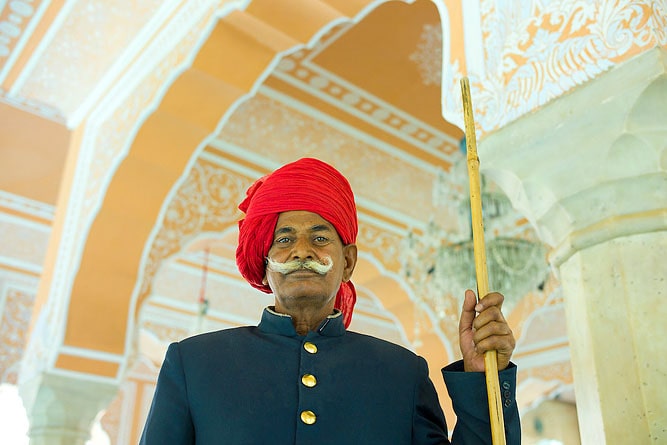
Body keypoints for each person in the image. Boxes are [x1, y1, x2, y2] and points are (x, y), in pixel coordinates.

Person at [140, 157, 520, 444]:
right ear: (265, 260)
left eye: (320, 238)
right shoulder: (193, 364)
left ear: (348, 262)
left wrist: (483, 377)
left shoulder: (402, 373)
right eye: (284, 239)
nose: (301, 251)